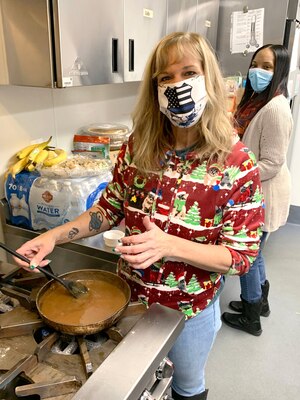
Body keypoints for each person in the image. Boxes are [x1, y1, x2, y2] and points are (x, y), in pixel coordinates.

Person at [14, 32, 264, 400]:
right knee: (141, 386)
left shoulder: (236, 163)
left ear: (208, 78)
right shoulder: (139, 146)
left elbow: (241, 257)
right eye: (166, 77)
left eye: (188, 72)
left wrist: (171, 246)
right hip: (129, 300)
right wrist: (53, 236)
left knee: (186, 387)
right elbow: (109, 207)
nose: (177, 85)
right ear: (154, 87)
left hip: (187, 313)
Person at [222, 44, 293, 336]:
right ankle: (260, 301)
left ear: (280, 73)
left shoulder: (276, 109)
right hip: (255, 192)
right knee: (258, 253)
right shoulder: (256, 101)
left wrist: (235, 176)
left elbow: (272, 164)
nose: (258, 71)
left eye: (267, 67)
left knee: (248, 257)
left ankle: (251, 315)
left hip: (265, 194)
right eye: (255, 64)